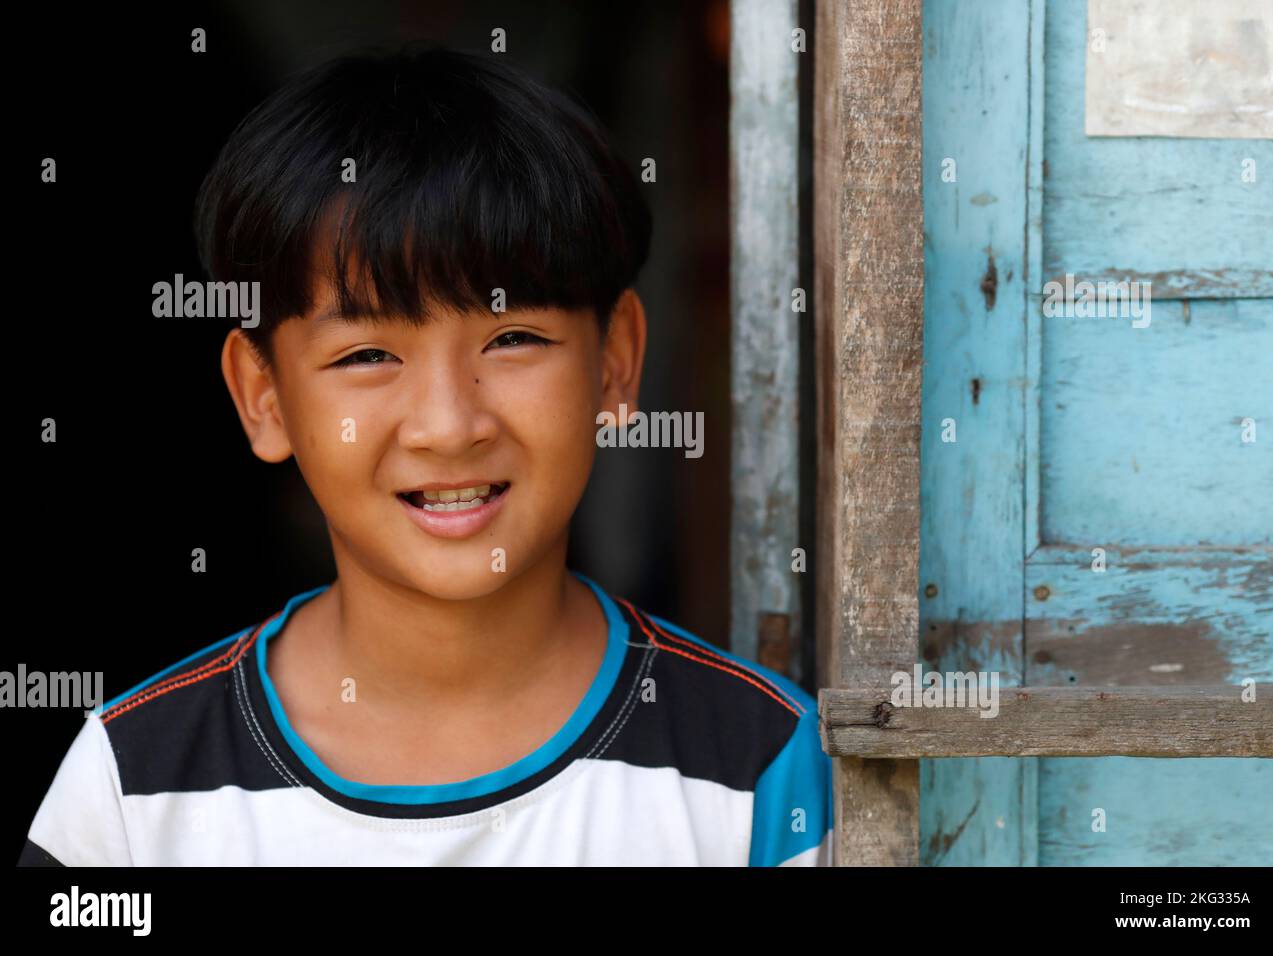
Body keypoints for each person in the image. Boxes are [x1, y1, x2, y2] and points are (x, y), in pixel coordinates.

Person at [18, 46, 832, 866]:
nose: (448, 426)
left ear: (615, 363)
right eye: (367, 355)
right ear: (262, 397)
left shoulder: (759, 772)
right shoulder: (135, 792)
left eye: (514, 339)